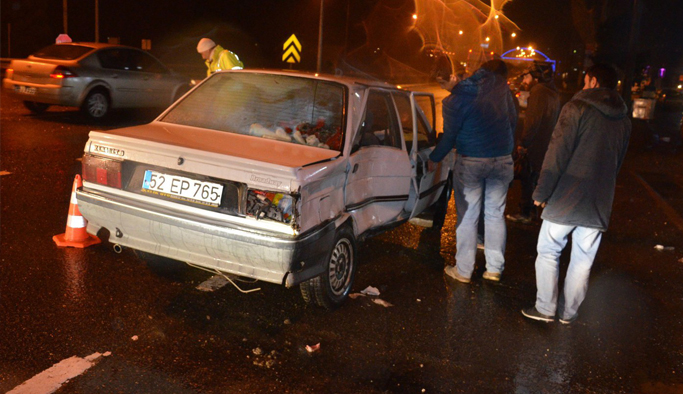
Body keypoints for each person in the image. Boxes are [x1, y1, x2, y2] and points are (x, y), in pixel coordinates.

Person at [521, 64, 631, 324]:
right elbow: (618, 161)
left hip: (567, 195)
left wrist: (541, 191)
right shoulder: (624, 119)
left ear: (592, 81)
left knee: (549, 250)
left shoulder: (576, 108)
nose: (582, 86)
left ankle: (546, 308)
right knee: (583, 259)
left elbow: (557, 153)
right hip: (599, 200)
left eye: (584, 81)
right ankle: (569, 313)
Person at [428, 59, 517, 283]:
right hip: (502, 159)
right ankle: (494, 268)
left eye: (442, 82)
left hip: (472, 162)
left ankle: (464, 270)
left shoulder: (454, 101)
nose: (443, 86)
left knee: (467, 216)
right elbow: (512, 122)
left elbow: (449, 137)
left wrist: (434, 158)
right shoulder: (502, 90)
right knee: (495, 214)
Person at [506, 64, 561, 224]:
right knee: (533, 177)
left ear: (536, 78)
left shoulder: (538, 92)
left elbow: (533, 121)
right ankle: (532, 211)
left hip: (535, 144)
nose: (524, 80)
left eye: (526, 77)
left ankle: (526, 212)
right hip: (545, 143)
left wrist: (523, 142)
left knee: (527, 178)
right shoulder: (553, 93)